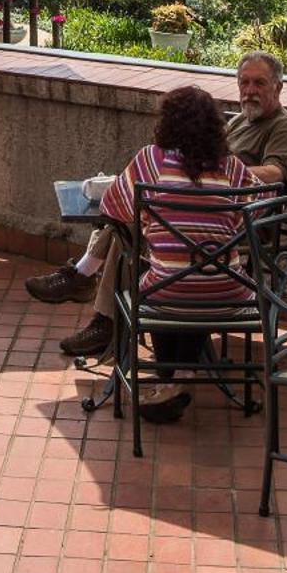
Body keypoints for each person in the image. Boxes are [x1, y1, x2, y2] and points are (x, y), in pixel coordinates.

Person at [29, 51, 287, 360]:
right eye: (244, 82)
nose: (249, 90)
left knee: (128, 218)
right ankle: (101, 313)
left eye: (259, 83)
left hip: (240, 230)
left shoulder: (283, 127)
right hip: (209, 222)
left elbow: (276, 174)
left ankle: (91, 292)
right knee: (129, 223)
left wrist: (208, 174)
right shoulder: (242, 120)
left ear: (278, 87)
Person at [97, 86, 257, 424]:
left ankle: (169, 378)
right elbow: (257, 215)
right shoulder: (233, 168)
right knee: (200, 272)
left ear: (166, 122)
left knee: (166, 280)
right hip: (228, 296)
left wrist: (152, 220)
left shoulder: (151, 160)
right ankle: (182, 376)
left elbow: (111, 205)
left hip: (167, 294)